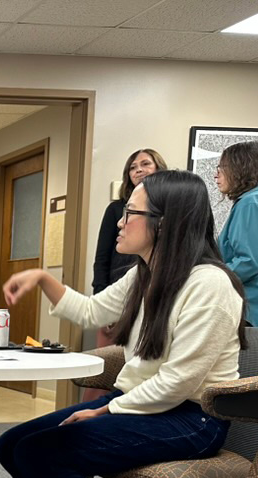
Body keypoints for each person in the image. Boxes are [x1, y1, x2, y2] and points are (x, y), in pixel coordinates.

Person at [0, 170, 246, 478]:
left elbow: (178, 382)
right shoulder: (148, 272)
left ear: (165, 223)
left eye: (131, 212)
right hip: (143, 406)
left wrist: (104, 412)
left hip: (193, 418)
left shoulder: (210, 285)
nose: (119, 220)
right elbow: (93, 310)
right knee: (12, 443)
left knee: (44, 451)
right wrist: (40, 277)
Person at [83, 148, 168, 401]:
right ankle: (95, 414)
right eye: (133, 167)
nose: (138, 170)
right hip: (118, 293)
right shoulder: (115, 210)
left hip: (151, 294)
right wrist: (101, 296)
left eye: (145, 164)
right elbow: (102, 259)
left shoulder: (168, 209)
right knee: (105, 368)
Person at [216, 140, 258, 328]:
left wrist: (211, 279)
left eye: (222, 168)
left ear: (241, 167)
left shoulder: (252, 203)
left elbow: (249, 261)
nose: (216, 175)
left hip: (251, 311)